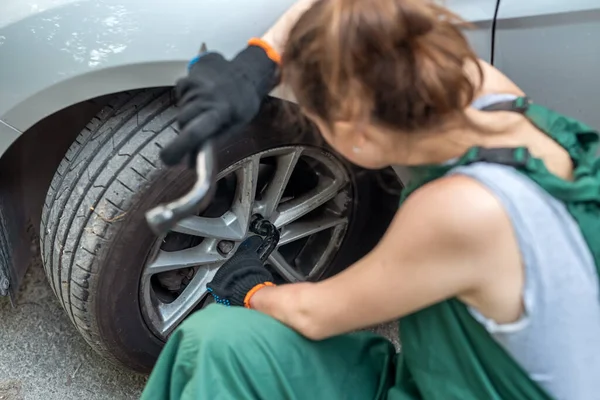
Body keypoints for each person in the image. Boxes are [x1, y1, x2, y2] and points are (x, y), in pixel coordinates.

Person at [142, 0, 600, 399]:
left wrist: (251, 287)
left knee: (217, 342)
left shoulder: (461, 213)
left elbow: (312, 315)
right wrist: (259, 61)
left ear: (356, 133)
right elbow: (361, 10)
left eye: (318, 122)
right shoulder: (481, 86)